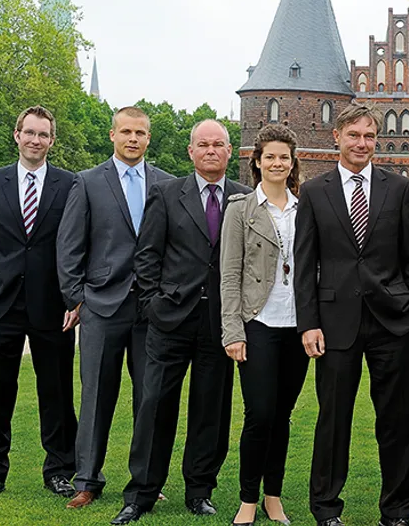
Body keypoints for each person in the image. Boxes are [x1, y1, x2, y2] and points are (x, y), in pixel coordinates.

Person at [111, 120, 251, 525]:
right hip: (170, 318)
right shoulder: (167, 193)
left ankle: (199, 489)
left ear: (229, 151)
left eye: (219, 144)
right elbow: (147, 255)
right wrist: (153, 304)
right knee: (154, 405)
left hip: (220, 323)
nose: (211, 151)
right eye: (203, 144)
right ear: (191, 152)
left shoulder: (243, 200)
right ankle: (141, 493)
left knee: (211, 409)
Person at [294, 101, 409, 526]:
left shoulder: (398, 188)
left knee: (397, 419)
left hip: (392, 320)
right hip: (335, 323)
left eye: (369, 135)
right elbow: (305, 262)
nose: (362, 143)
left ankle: (398, 510)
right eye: (354, 135)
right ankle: (326, 508)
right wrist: (309, 322)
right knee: (334, 420)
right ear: (337, 137)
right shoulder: (315, 191)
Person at [56, 106, 173, 509]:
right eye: (126, 131)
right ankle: (87, 479)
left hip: (151, 310)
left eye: (140, 132)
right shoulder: (87, 182)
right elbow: (69, 246)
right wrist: (77, 298)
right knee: (96, 396)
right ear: (112, 135)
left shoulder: (165, 184)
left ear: (148, 137)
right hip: (102, 307)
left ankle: (146, 480)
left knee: (149, 398)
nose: (133, 139)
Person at [0, 105, 77, 502]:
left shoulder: (69, 184)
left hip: (53, 306)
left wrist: (74, 297)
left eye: (43, 134)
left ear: (52, 140)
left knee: (58, 391)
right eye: (29, 132)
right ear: (17, 135)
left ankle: (61, 471)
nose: (36, 140)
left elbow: (77, 243)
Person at [220, 125, 310, 526]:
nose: (277, 163)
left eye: (284, 157)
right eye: (270, 156)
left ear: (292, 163)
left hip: (296, 326)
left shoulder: (304, 208)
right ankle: (247, 499)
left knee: (282, 415)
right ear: (257, 161)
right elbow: (229, 273)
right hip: (257, 322)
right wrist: (233, 330)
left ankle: (274, 496)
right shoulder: (240, 209)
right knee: (259, 414)